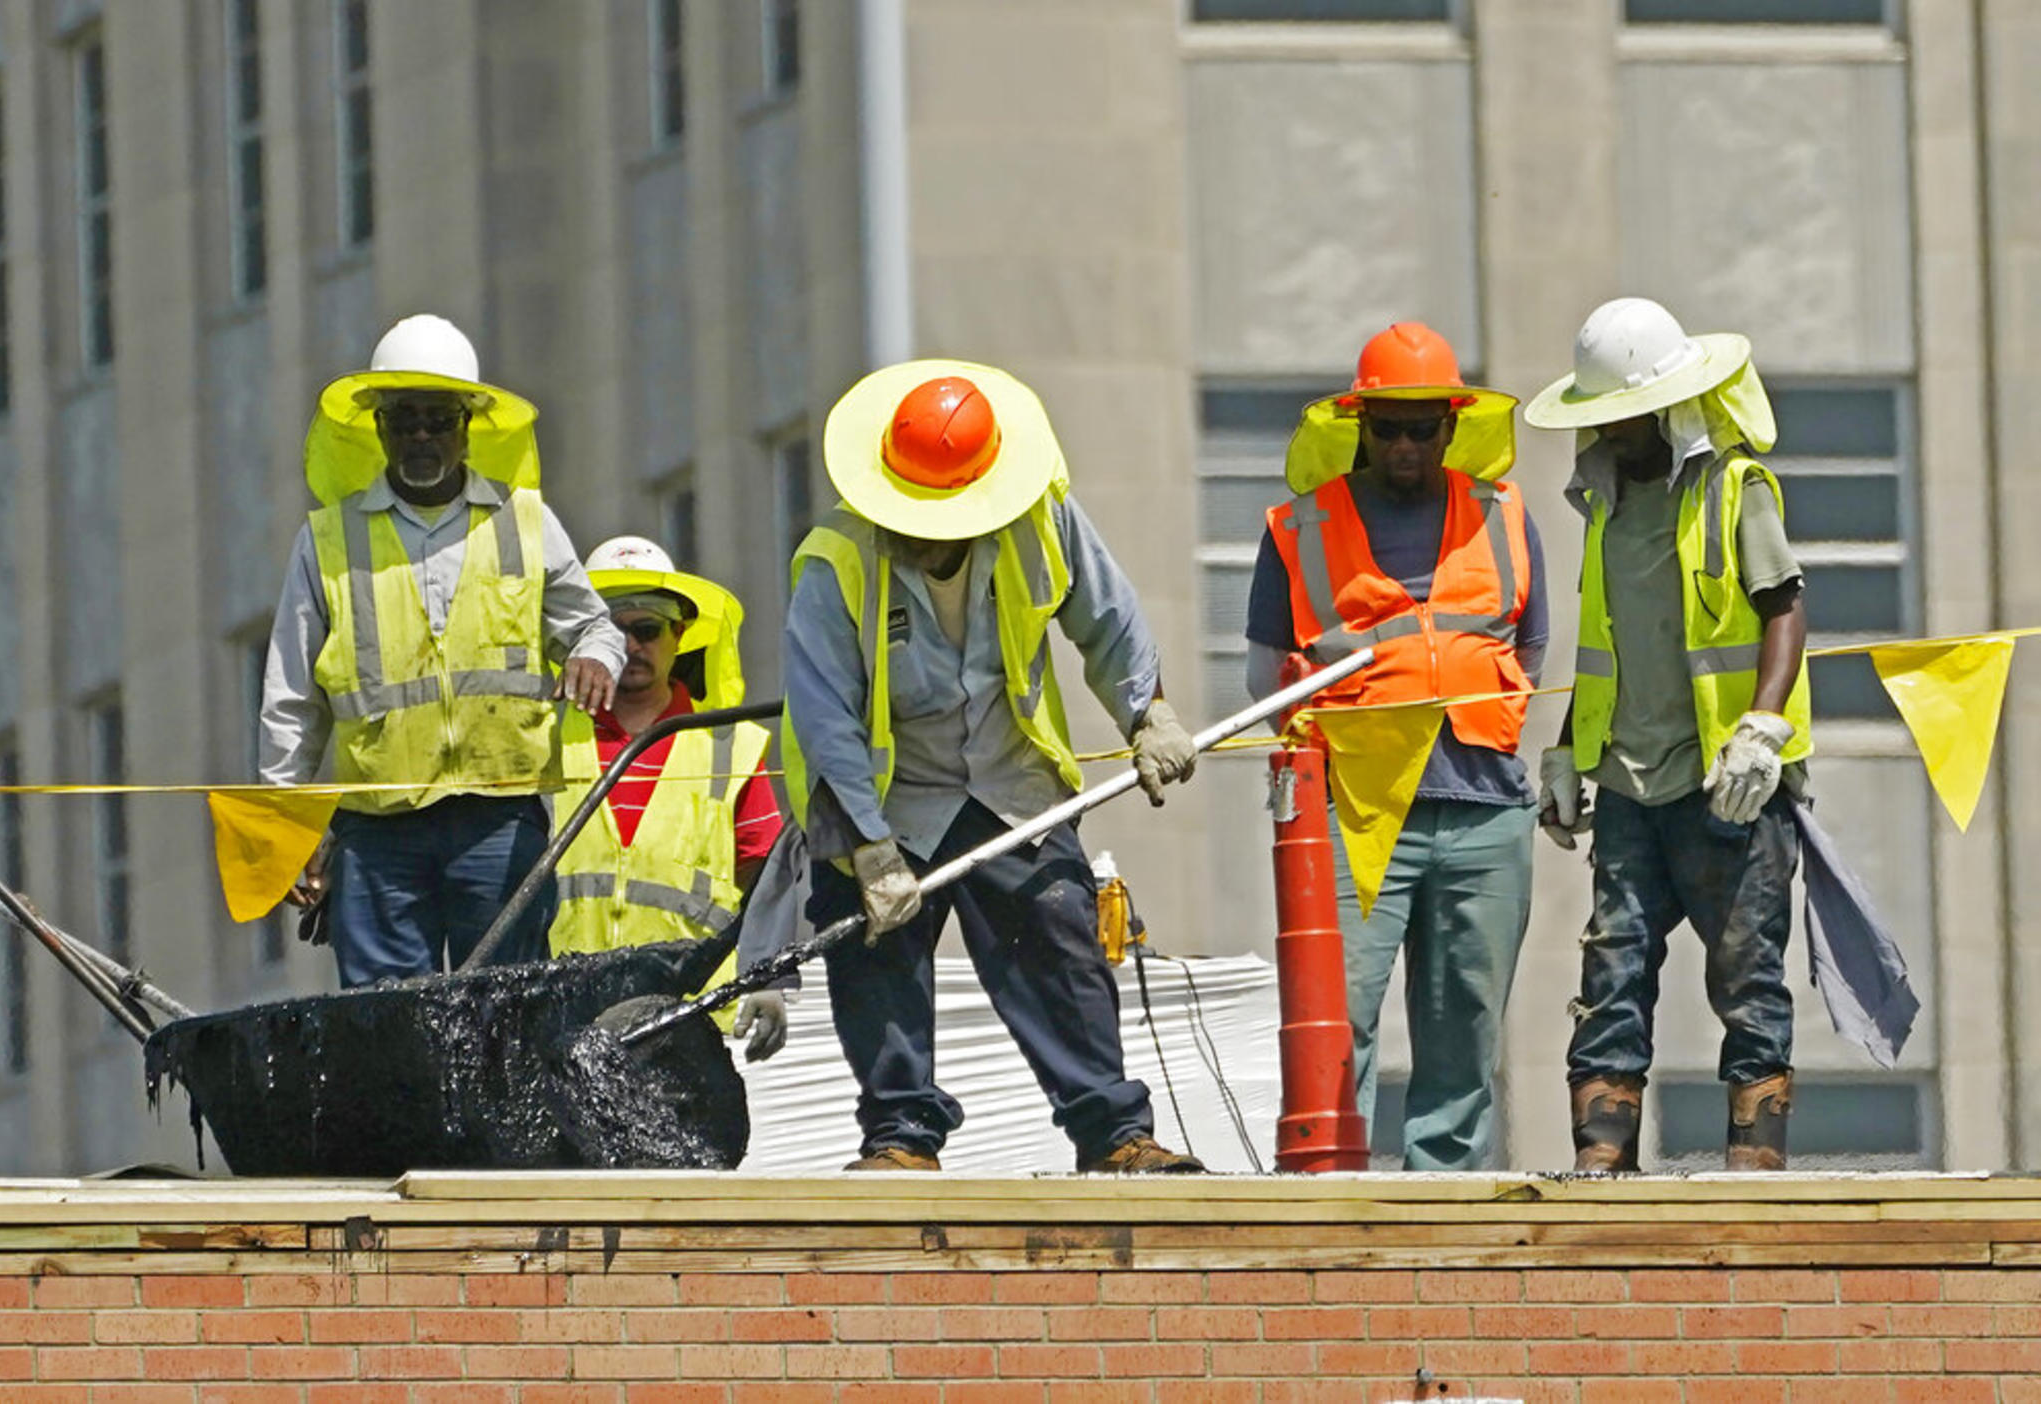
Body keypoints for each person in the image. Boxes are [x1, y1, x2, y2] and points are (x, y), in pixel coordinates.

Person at [782, 359, 1203, 1174]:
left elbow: (1108, 618)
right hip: (888, 794)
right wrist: (868, 852)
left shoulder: (1038, 521)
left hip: (1006, 778)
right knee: (874, 946)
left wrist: (1147, 713)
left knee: (1057, 929)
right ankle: (901, 1138)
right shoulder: (834, 562)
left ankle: (1114, 1134)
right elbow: (825, 719)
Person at [1245, 322, 1548, 1171]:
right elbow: (1268, 674)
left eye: (1424, 425)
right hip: (1358, 813)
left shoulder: (1505, 516)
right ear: (1359, 425)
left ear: (1453, 425)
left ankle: (1440, 1202)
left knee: (1466, 1018)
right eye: (1389, 426)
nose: (1407, 443)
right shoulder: (1299, 528)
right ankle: (1331, 1187)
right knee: (1335, 1018)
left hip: (1485, 804)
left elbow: (1528, 649)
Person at [1524, 297, 1812, 1173]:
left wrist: (1763, 725)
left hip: (1729, 783)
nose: (1612, 434)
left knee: (1746, 978)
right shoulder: (1605, 509)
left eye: (1624, 417)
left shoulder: (1734, 486)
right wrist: (1570, 750)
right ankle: (1600, 1163)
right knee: (1612, 971)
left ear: (1663, 406)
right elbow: (1606, 643)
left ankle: (1752, 1171)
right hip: (1630, 784)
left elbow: (1784, 605)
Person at [260, 314, 623, 987]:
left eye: (437, 419)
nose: (421, 436)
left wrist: (596, 656)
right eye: (404, 421)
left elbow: (593, 626)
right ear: (379, 430)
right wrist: (289, 831)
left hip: (498, 818)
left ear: (466, 427)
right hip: (377, 834)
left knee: (507, 1015)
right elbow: (291, 702)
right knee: (387, 1026)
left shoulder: (526, 523)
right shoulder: (329, 542)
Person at [548, 535, 788, 1060]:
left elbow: (767, 881)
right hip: (563, 1019)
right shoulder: (542, 741)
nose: (632, 646)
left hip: (694, 1025)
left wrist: (769, 974)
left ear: (680, 635)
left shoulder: (733, 746)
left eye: (648, 629)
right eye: (612, 629)